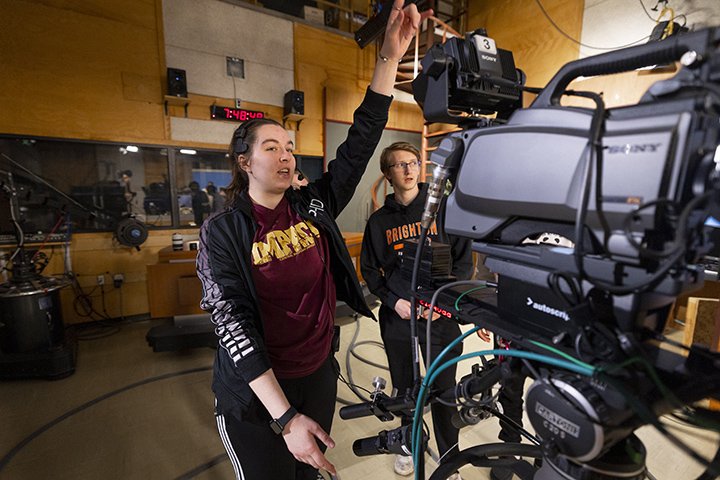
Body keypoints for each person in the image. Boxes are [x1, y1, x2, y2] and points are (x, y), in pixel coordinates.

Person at [196, 3, 431, 479]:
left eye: (288, 146)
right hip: (259, 392)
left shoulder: (312, 203)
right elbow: (233, 326)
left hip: (317, 373)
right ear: (244, 162)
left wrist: (388, 58)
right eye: (270, 148)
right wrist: (284, 418)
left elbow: (362, 139)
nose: (285, 155)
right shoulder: (223, 231)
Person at [360, 142, 473, 479]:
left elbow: (464, 262)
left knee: (444, 390)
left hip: (439, 318)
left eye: (413, 163)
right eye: (399, 165)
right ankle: (409, 446)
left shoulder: (444, 211)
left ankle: (450, 460)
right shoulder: (379, 222)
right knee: (407, 390)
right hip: (400, 319)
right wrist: (394, 302)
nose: (408, 170)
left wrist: (444, 303)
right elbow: (370, 271)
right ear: (388, 174)